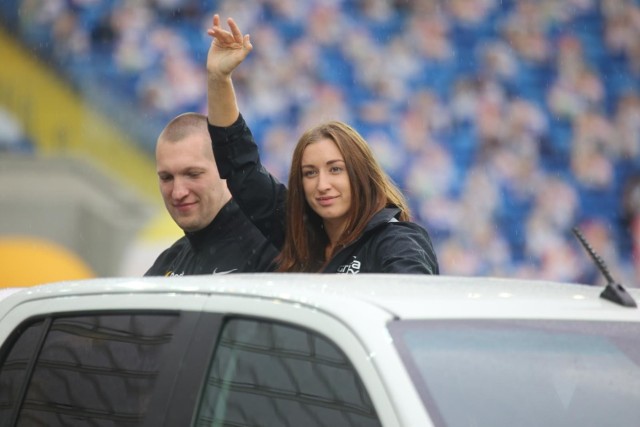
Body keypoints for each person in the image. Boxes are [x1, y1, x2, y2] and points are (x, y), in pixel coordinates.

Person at [205, 15, 439, 274]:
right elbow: (241, 168)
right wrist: (219, 78)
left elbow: (414, 307)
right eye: (310, 173)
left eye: (335, 169)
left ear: (361, 174)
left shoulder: (396, 241)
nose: (322, 185)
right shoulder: (300, 234)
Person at [145, 112, 279, 276]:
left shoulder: (271, 248)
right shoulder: (168, 262)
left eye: (193, 174)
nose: (178, 192)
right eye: (166, 178)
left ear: (225, 169)